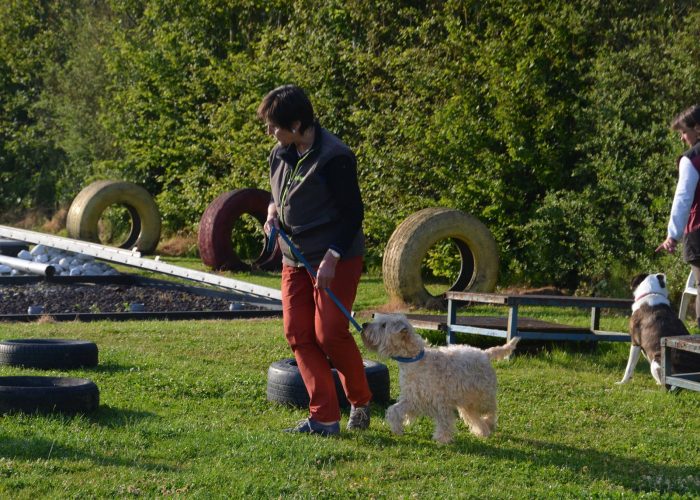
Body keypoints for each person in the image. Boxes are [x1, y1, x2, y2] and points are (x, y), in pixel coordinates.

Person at [257, 84, 372, 436]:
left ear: (296, 123)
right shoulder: (281, 153)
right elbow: (279, 194)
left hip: (336, 256)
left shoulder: (335, 156)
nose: (270, 132)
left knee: (330, 333)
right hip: (295, 258)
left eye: (275, 125)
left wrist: (332, 258)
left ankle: (361, 400)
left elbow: (353, 214)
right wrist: (272, 211)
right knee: (298, 332)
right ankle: (324, 417)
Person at [656, 104, 700, 326]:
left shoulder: (691, 159)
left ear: (698, 128)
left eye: (684, 132)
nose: (682, 138)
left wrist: (672, 235)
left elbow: (683, 198)